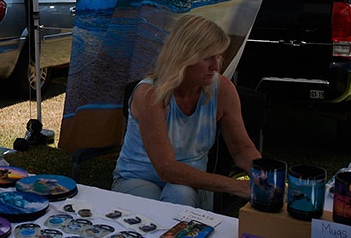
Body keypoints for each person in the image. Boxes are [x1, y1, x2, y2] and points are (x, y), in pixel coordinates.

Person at [112, 14, 261, 211]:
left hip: (192, 185)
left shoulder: (223, 90)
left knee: (181, 193)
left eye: (218, 56)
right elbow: (166, 168)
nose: (216, 67)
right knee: (163, 204)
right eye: (207, 58)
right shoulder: (150, 94)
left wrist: (265, 178)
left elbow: (241, 149)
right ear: (183, 57)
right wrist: (233, 185)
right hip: (138, 178)